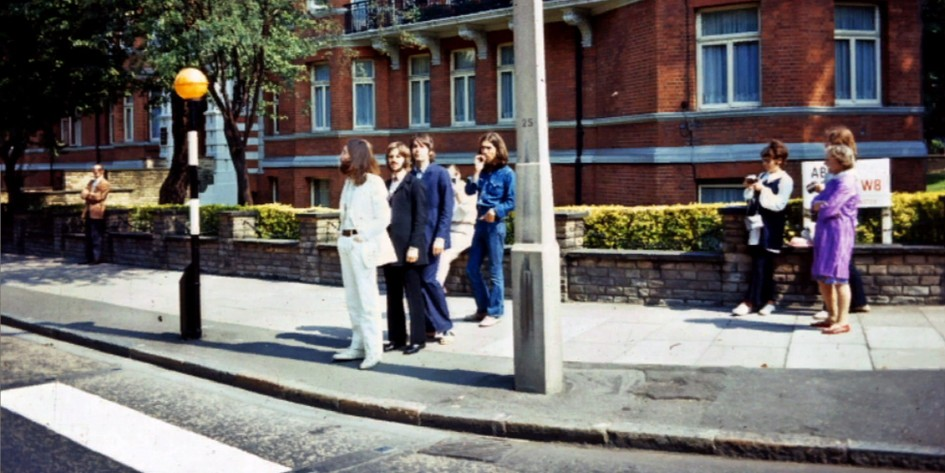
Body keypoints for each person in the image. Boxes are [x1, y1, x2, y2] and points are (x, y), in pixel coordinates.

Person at [333, 139, 397, 370]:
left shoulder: (374, 183)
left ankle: (373, 350)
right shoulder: (350, 183)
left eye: (345, 152)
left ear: (357, 155)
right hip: (347, 243)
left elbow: (384, 217)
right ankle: (357, 345)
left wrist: (364, 235)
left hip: (362, 244)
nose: (341, 155)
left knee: (367, 299)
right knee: (352, 299)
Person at [810, 126, 870, 319]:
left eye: (831, 145)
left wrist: (821, 204)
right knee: (826, 274)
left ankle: (841, 317)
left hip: (839, 230)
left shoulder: (847, 180)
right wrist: (819, 203)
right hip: (827, 231)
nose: (825, 161)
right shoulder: (836, 178)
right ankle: (832, 314)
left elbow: (830, 207)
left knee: (839, 275)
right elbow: (816, 202)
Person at [732, 140, 794, 316]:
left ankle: (753, 301)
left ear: (779, 160)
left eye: (768, 160)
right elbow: (752, 199)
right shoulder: (763, 176)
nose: (765, 164)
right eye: (764, 160)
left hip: (771, 226)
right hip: (757, 225)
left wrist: (763, 190)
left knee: (764, 263)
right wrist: (751, 187)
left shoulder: (785, 179)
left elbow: (779, 204)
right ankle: (766, 301)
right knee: (759, 263)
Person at [463, 132, 516, 327]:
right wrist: (476, 171)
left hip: (495, 225)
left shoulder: (508, 174)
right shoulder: (483, 172)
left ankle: (495, 312)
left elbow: (512, 201)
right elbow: (469, 191)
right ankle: (483, 308)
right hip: (480, 224)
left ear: (498, 149)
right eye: (482, 148)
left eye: (489, 148)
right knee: (471, 268)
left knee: (495, 270)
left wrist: (496, 210)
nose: (484, 152)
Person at [382, 142, 430, 355]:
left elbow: (421, 218)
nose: (394, 160)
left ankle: (418, 340)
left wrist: (414, 246)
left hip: (409, 249)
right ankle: (396, 338)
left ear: (405, 159)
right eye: (391, 156)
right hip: (389, 249)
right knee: (393, 296)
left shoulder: (414, 184)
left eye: (398, 156)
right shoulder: (386, 184)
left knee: (413, 296)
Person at [409, 134, 456, 344]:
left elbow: (447, 208)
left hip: (433, 238)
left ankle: (445, 326)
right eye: (414, 147)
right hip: (415, 239)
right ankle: (428, 326)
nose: (417, 150)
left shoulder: (440, 173)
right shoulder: (410, 175)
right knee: (417, 283)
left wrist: (441, 237)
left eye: (421, 146)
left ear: (430, 150)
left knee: (430, 280)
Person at [435, 164, 477, 290]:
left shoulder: (468, 189)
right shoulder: (442, 190)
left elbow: (467, 210)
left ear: (458, 175)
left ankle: (437, 286)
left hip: (463, 230)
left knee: (444, 255)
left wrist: (458, 193)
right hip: (447, 231)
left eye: (451, 177)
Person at [80, 164, 111, 265]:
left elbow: (99, 197)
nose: (94, 173)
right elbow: (82, 193)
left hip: (97, 211)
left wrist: (88, 194)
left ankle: (97, 258)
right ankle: (89, 258)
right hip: (89, 211)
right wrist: (88, 194)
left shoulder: (105, 183)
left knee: (96, 236)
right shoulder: (91, 182)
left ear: (102, 171)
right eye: (93, 171)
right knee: (88, 236)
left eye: (96, 171)